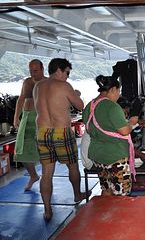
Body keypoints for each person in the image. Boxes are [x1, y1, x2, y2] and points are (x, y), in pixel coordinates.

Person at [33, 58, 87, 220]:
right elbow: (80, 105)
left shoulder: (38, 86)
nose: (68, 76)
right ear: (58, 70)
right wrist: (76, 94)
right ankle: (77, 195)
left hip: (42, 132)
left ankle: (47, 209)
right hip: (61, 131)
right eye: (67, 73)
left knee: (47, 173)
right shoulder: (63, 85)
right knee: (72, 166)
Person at [82, 75, 145, 197]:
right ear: (113, 89)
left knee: (106, 189)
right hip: (115, 157)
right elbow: (124, 131)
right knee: (121, 194)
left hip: (98, 156)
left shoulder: (89, 107)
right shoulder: (112, 106)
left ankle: (105, 215)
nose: (118, 95)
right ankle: (119, 216)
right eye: (118, 91)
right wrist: (132, 122)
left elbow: (89, 129)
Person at [13, 59, 47, 190]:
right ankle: (33, 175)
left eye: (36, 70)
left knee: (44, 150)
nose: (33, 73)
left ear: (42, 69)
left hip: (41, 118)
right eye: (31, 70)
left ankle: (46, 179)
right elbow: (21, 98)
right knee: (20, 150)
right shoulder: (27, 82)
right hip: (26, 117)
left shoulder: (47, 82)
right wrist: (16, 117)